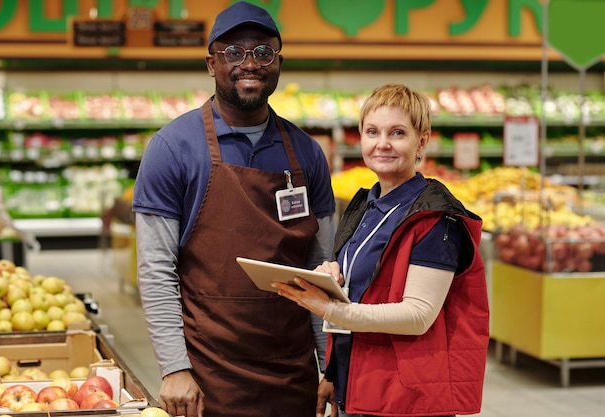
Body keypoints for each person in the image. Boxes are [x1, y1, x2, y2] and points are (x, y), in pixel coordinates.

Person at [131, 2, 336, 417]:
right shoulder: (172, 148)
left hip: (291, 375)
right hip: (208, 376)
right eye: (234, 53)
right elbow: (156, 270)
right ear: (211, 63)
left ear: (278, 63)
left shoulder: (307, 153)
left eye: (263, 52)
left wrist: (331, 365)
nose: (250, 63)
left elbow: (322, 270)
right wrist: (174, 368)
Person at [273, 83, 490, 417]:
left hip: (405, 400)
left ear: (422, 141)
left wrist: (329, 309)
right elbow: (362, 292)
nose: (382, 143)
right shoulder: (366, 206)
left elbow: (417, 316)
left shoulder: (435, 219)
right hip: (359, 387)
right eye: (372, 131)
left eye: (397, 132)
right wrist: (334, 372)